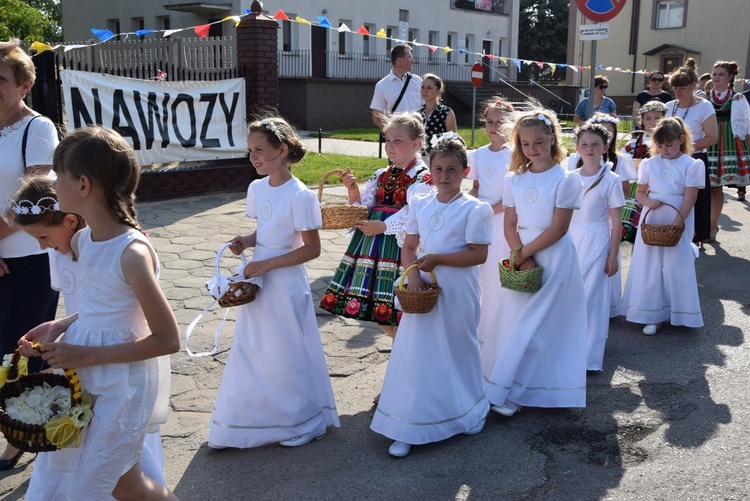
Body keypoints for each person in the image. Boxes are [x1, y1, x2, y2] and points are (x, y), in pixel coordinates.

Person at [18, 127, 179, 500]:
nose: (53, 185)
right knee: (129, 485)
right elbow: (102, 308)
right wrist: (61, 325)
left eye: (59, 178)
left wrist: (87, 353)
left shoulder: (132, 254)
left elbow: (167, 339)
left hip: (121, 385)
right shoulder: (83, 240)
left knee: (91, 487)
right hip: (87, 374)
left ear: (84, 186)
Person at [208, 117, 339, 449]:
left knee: (285, 351)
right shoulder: (257, 188)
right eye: (250, 150)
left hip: (285, 282)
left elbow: (311, 248)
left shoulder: (301, 195)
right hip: (259, 276)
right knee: (254, 347)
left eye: (260, 151)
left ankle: (302, 421)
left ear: (282, 150)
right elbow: (266, 229)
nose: (254, 157)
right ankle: (251, 419)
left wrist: (267, 262)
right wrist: (248, 240)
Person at [370, 133, 492, 458]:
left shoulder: (475, 209)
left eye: (452, 169)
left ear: (465, 171)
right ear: (431, 170)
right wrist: (412, 280)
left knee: (458, 348)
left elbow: (478, 254)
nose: (444, 176)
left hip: (457, 286)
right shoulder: (420, 202)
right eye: (438, 169)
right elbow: (409, 246)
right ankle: (410, 422)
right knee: (418, 352)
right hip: (422, 286)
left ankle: (469, 411)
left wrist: (439, 259)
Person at [481, 108, 587, 417]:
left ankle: (524, 389)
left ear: (552, 138)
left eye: (538, 142)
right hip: (521, 256)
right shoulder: (513, 179)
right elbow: (509, 224)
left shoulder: (566, 179)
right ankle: (506, 382)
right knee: (515, 320)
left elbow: (559, 227)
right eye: (525, 144)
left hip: (552, 257)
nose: (532, 149)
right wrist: (518, 254)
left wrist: (526, 254)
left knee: (539, 324)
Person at [0, 38, 60, 471]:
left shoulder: (37, 128)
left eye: (0, 80)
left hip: (29, 257)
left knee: (23, 350)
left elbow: (35, 196)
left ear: (24, 85)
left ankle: (24, 432)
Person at [320, 113, 429, 341]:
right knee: (377, 310)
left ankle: (410, 349)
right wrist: (352, 190)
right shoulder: (381, 174)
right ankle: (403, 348)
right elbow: (364, 208)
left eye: (397, 141)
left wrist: (384, 226)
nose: (390, 146)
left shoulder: (423, 177)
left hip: (401, 247)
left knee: (400, 306)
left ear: (416, 143)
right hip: (371, 247)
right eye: (387, 140)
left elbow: (416, 212)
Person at [620, 117, 705, 335]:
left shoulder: (692, 165)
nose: (664, 149)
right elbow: (639, 192)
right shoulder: (650, 164)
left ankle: (680, 312)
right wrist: (648, 202)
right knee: (650, 265)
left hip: (677, 217)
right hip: (653, 219)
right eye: (660, 145)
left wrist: (677, 224)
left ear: (681, 140)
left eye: (670, 144)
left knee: (676, 265)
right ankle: (651, 314)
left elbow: (690, 199)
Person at [569, 123, 624, 371]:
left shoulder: (611, 179)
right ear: (577, 147)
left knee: (593, 299)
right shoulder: (569, 177)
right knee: (570, 298)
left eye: (595, 144)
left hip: (598, 239)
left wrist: (613, 254)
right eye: (584, 144)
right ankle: (568, 350)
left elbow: (615, 219)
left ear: (605, 146)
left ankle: (590, 357)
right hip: (571, 240)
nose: (589, 149)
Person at [467, 97, 513, 347]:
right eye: (489, 122)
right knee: (481, 275)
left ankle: (500, 329)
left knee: (499, 275)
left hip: (503, 220)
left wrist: (487, 209)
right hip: (483, 220)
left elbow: (511, 196)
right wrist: (468, 205)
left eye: (499, 122)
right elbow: (476, 187)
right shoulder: (478, 155)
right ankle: (481, 329)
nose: (494, 126)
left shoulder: (515, 154)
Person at [665, 59, 718, 244]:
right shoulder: (669, 106)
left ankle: (695, 237)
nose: (678, 91)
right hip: (669, 160)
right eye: (675, 87)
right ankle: (669, 230)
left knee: (695, 202)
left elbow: (712, 137)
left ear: (694, 85)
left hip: (693, 160)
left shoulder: (704, 106)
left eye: (683, 87)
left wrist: (684, 148)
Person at [705, 61, 750, 239]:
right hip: (708, 140)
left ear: (730, 77)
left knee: (716, 188)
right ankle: (699, 226)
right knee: (701, 187)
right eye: (714, 74)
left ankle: (712, 226)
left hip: (728, 143)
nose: (716, 77)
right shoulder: (703, 97)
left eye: (721, 74)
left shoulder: (738, 99)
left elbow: (746, 127)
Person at [620, 101, 669, 244]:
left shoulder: (667, 143)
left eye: (657, 118)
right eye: (648, 118)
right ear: (642, 121)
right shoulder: (634, 143)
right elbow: (622, 160)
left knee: (654, 222)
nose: (653, 122)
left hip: (659, 186)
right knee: (636, 225)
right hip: (639, 186)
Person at [371, 44, 423, 130]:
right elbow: (377, 115)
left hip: (417, 133)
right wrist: (390, 131)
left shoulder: (417, 81)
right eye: (409, 57)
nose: (413, 61)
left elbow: (426, 107)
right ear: (399, 60)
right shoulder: (382, 85)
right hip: (396, 136)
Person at [419, 73, 457, 159]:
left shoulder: (446, 113)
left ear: (438, 91)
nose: (425, 91)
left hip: (440, 159)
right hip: (420, 159)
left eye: (429, 88)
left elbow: (453, 141)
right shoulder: (418, 114)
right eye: (422, 87)